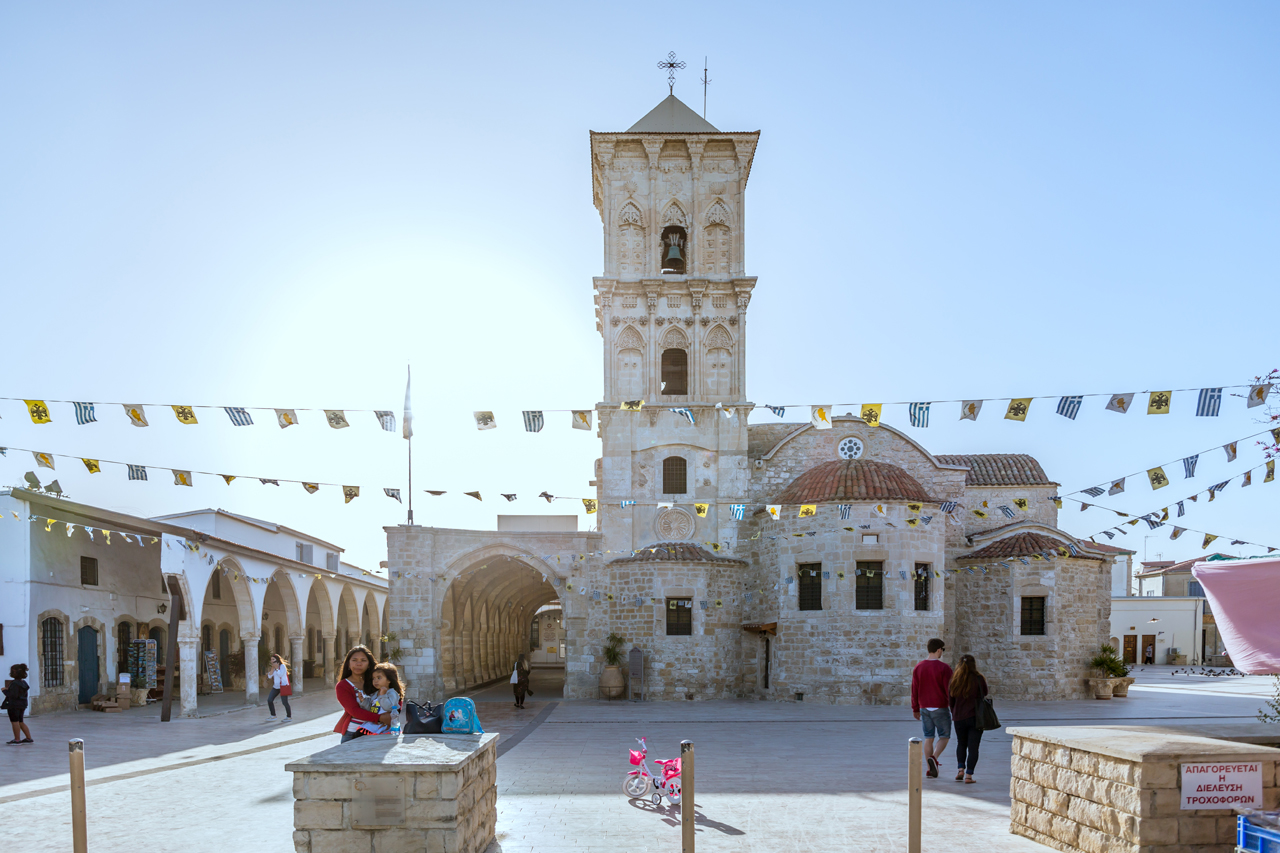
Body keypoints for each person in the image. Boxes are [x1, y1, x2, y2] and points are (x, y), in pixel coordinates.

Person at [911, 638, 953, 779]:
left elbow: (914, 689)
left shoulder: (918, 667)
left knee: (928, 737)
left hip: (924, 707)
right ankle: (933, 758)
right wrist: (953, 706)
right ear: (939, 650)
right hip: (940, 706)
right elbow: (949, 690)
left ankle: (930, 769)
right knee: (944, 736)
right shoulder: (944, 668)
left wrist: (915, 708)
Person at [333, 645, 391, 743]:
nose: (358, 664)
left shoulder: (376, 682)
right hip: (353, 733)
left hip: (379, 731)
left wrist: (392, 715)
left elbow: (394, 695)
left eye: (363, 660)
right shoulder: (343, 686)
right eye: (354, 660)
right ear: (348, 664)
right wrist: (381, 718)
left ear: (369, 664)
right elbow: (354, 711)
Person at [949, 654, 990, 783]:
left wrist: (955, 713)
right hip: (975, 717)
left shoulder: (955, 680)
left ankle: (960, 769)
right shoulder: (978, 678)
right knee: (973, 747)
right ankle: (969, 775)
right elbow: (985, 692)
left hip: (959, 717)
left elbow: (950, 700)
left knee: (961, 743)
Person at [356, 663, 403, 736]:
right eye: (374, 678)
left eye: (379, 678)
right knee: (358, 734)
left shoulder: (392, 693)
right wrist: (363, 701)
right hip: (374, 723)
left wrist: (383, 695)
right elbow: (370, 708)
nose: (375, 681)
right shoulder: (375, 694)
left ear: (389, 680)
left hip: (386, 725)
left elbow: (389, 708)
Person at [4, 664, 32, 745]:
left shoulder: (14, 683)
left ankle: (17, 739)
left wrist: (4, 691)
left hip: (14, 705)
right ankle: (28, 737)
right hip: (22, 704)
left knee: (15, 721)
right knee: (20, 721)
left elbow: (13, 695)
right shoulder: (23, 683)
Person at [265, 654, 292, 723]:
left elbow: (280, 674)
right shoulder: (273, 668)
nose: (272, 661)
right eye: (271, 659)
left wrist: (277, 668)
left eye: (273, 659)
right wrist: (272, 669)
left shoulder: (282, 666)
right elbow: (270, 676)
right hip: (276, 687)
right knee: (270, 700)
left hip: (283, 686)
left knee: (284, 702)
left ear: (277, 660)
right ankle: (273, 715)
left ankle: (289, 716)